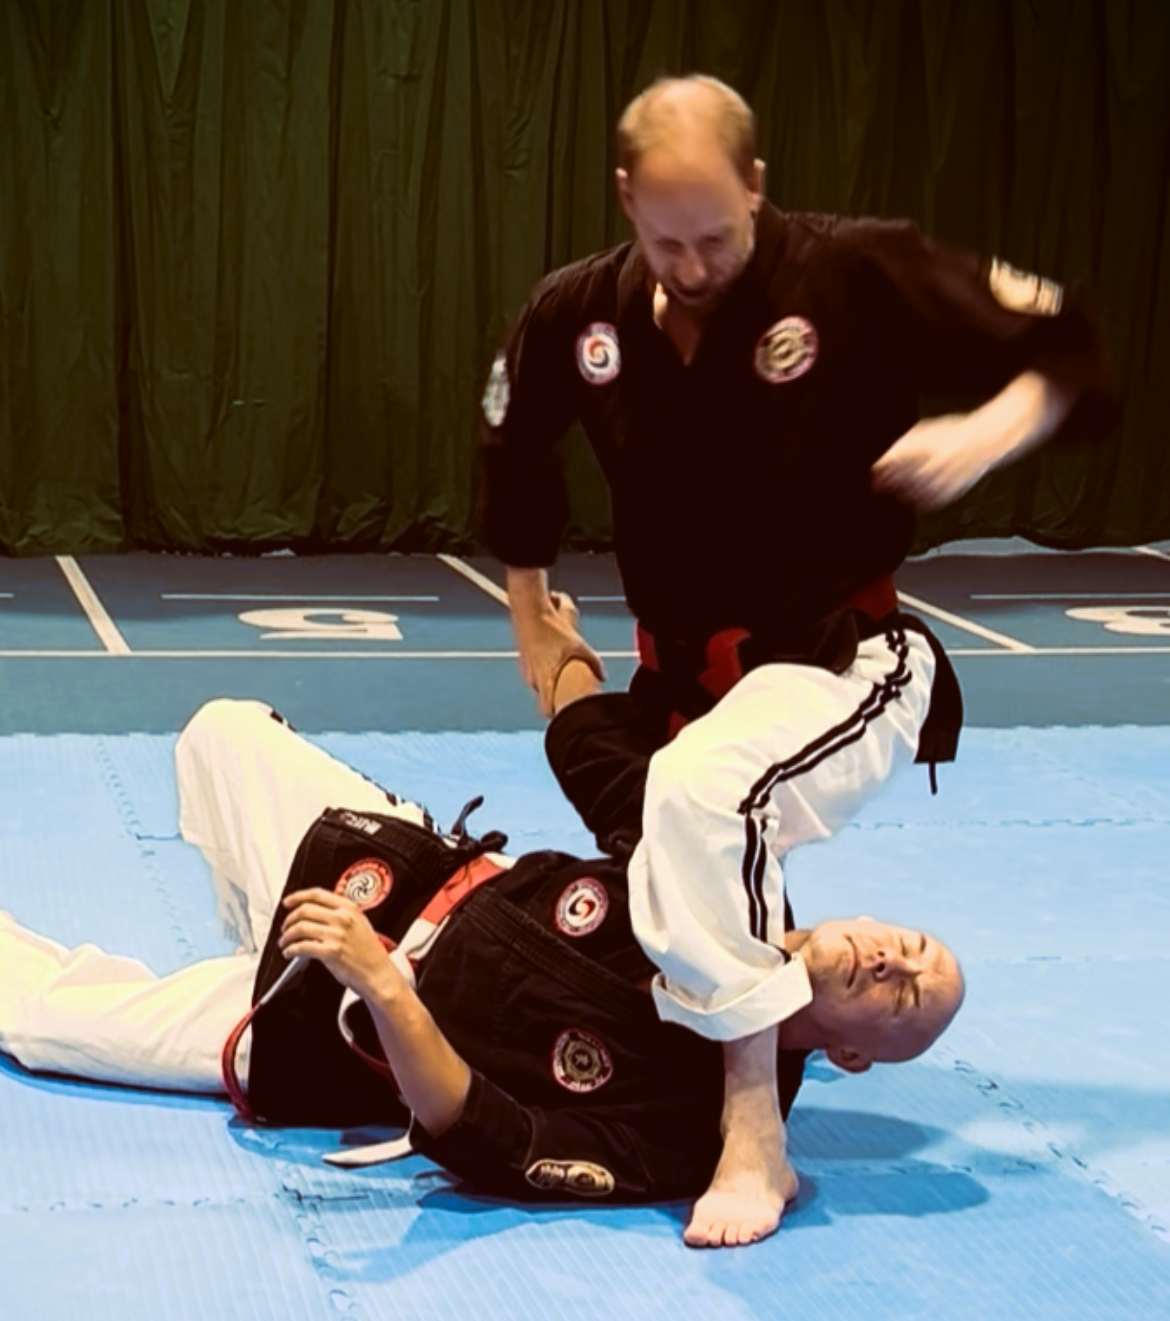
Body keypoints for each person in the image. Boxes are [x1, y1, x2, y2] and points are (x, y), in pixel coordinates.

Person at [475, 73, 1114, 1244]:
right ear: (625, 199)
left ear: (757, 187)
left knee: (702, 794)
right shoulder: (582, 313)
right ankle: (751, 1024)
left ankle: (753, 1127)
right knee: (655, 818)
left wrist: (989, 429)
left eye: (716, 234)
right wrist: (529, 610)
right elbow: (515, 445)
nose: (693, 261)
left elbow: (1070, 343)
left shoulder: (851, 272)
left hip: (843, 657)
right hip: (683, 690)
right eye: (665, 237)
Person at [0, 665, 962, 1232]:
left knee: (41, 1022)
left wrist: (383, 984)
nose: (894, 963)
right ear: (869, 917)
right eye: (910, 944)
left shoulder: (696, 1134)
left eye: (906, 997)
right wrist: (558, 650)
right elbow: (608, 765)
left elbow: (493, 1144)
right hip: (385, 867)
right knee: (223, 731)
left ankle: (266, 963)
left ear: (851, 1053)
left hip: (333, 1029)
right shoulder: (731, 859)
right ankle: (265, 928)